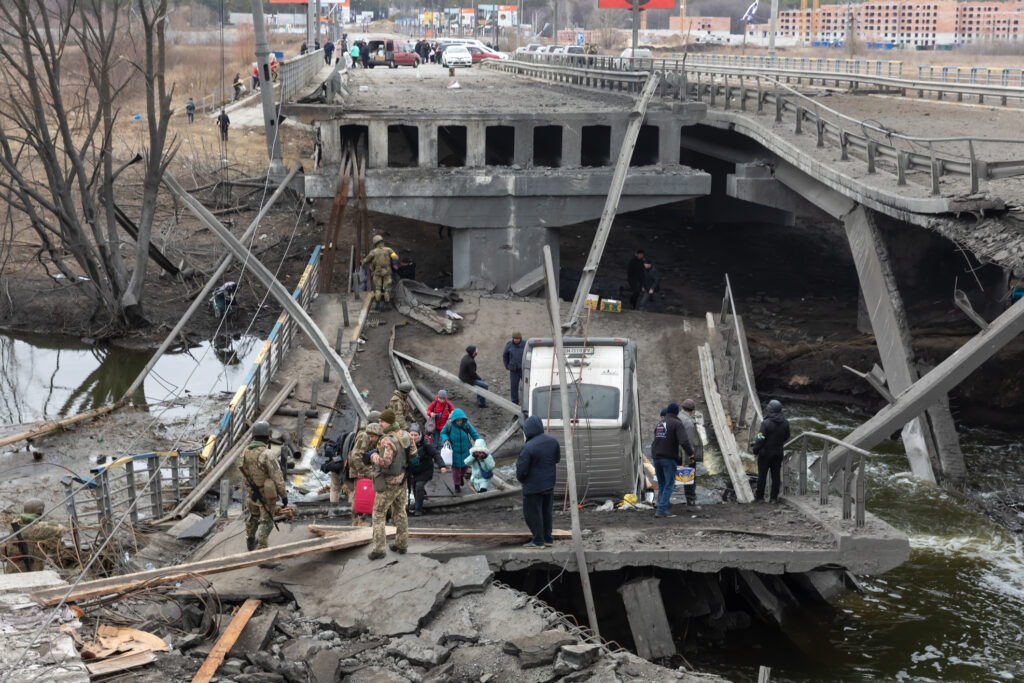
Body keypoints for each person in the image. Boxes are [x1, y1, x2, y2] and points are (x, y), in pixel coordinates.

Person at [240, 421, 288, 550]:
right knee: (266, 521)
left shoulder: (246, 451)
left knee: (253, 517)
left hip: (252, 492)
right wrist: (284, 495)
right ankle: (262, 550)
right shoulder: (268, 454)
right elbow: (278, 477)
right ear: (267, 437)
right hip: (266, 494)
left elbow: (245, 472)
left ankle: (250, 542)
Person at [516, 416, 560, 548]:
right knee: (546, 512)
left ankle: (538, 541)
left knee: (533, 514)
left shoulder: (528, 447)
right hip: (549, 484)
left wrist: (522, 480)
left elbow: (521, 470)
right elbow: (557, 459)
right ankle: (548, 539)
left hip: (533, 487)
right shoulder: (553, 441)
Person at [368, 429, 411, 560]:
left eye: (382, 422)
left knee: (378, 514)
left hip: (389, 484)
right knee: (400, 511)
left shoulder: (388, 441)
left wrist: (373, 456)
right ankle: (401, 544)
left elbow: (385, 463)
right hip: (402, 480)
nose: (379, 424)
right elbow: (413, 453)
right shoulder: (405, 436)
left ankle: (379, 549)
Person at [650, 402, 693, 519]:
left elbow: (656, 439)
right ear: (676, 412)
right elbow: (683, 441)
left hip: (656, 457)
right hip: (668, 458)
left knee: (662, 483)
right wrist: (691, 453)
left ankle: (664, 504)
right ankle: (661, 510)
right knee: (669, 484)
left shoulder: (660, 423)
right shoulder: (677, 423)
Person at [3, 499, 68, 572]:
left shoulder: (15, 525)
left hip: (11, 572)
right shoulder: (38, 529)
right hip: (32, 573)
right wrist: (44, 524)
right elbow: (62, 529)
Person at [752, 400, 790, 503]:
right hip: (778, 453)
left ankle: (759, 498)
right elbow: (787, 436)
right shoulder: (785, 423)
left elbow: (760, 438)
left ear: (770, 410)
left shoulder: (765, 423)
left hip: (765, 454)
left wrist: (755, 450)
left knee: (762, 476)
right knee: (776, 476)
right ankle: (773, 498)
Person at [407, 422, 447, 516]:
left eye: (415, 435)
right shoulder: (405, 444)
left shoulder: (425, 443)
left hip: (425, 469)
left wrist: (442, 466)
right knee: (415, 487)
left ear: (419, 435)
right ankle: (419, 499)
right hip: (413, 471)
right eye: (411, 435)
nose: (413, 437)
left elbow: (435, 454)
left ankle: (418, 509)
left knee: (419, 486)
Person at [348, 419, 382, 526]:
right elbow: (355, 456)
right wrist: (364, 471)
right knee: (359, 497)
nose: (373, 439)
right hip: (359, 469)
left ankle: (362, 520)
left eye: (374, 437)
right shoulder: (364, 437)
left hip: (364, 467)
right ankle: (356, 522)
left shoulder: (376, 439)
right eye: (371, 436)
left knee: (366, 495)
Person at [439, 408, 479, 493]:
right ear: (454, 420)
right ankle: (456, 485)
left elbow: (474, 433)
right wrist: (446, 439)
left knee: (465, 467)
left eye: (461, 420)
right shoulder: (449, 424)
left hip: (466, 450)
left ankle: (461, 476)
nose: (459, 422)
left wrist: (479, 441)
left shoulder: (467, 424)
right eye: (457, 421)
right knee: (455, 469)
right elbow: (443, 433)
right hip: (454, 452)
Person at [679, 398, 704, 506]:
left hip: (676, 453)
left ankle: (663, 500)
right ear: (692, 410)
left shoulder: (678, 417)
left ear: (682, 408)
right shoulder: (688, 422)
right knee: (690, 476)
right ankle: (691, 500)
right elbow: (688, 442)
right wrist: (690, 457)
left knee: (670, 477)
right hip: (687, 454)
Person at [362, 234, 394, 309]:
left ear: (375, 243)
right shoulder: (389, 250)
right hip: (387, 271)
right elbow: (395, 257)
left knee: (378, 288)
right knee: (387, 289)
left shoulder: (373, 251)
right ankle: (387, 305)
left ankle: (377, 305)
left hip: (378, 272)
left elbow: (366, 259)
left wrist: (363, 262)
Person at [502, 331, 526, 405]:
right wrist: (507, 366)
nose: (516, 340)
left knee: (527, 385)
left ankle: (528, 401)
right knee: (514, 387)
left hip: (523, 370)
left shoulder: (526, 343)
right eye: (515, 338)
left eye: (517, 339)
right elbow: (505, 356)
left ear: (520, 338)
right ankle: (514, 403)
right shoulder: (509, 345)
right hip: (514, 371)